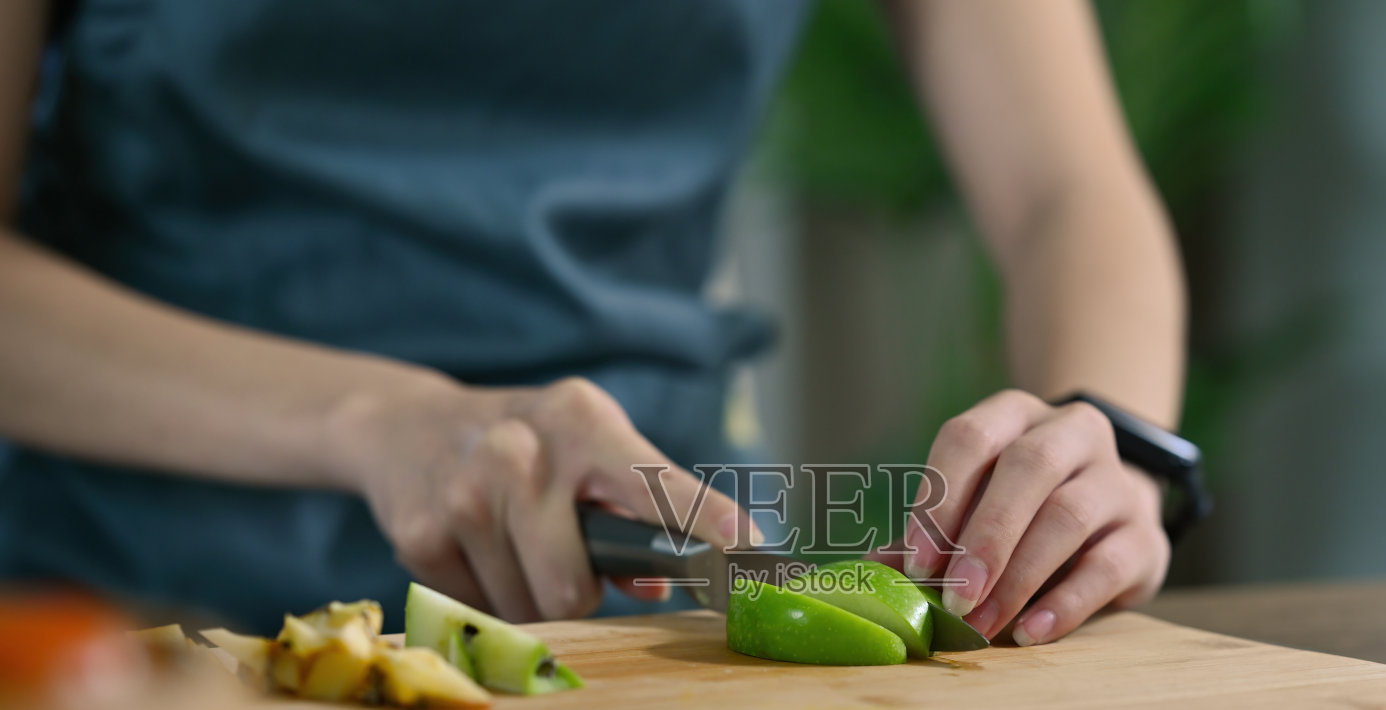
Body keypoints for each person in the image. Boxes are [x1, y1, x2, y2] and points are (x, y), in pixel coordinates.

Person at [0, 0, 1184, 645]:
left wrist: (1106, 438)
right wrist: (379, 417)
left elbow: (1062, 192)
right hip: (130, 622)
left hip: (663, 600)